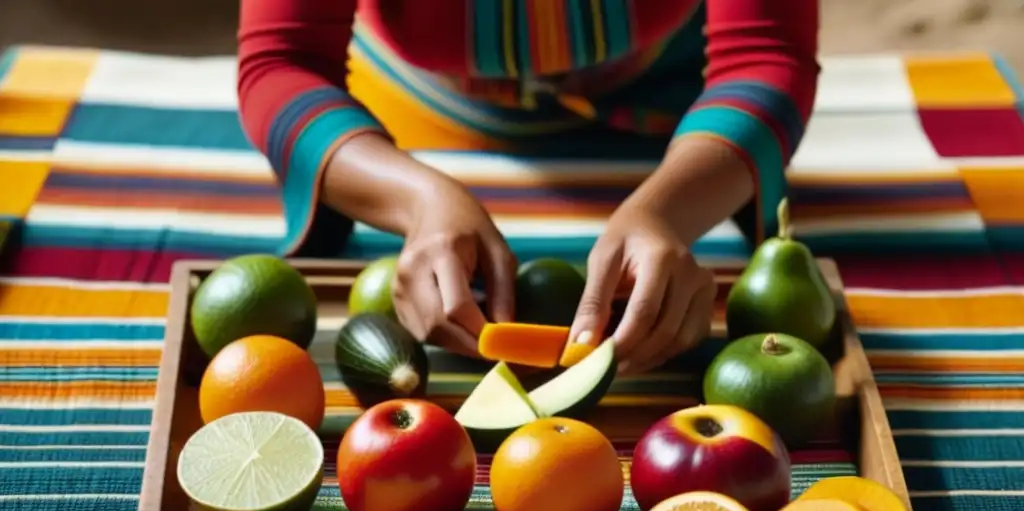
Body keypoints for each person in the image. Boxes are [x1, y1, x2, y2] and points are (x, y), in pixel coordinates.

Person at [237, 0, 819, 374]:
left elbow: (765, 55)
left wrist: (668, 212)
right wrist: (417, 199)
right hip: (422, 113)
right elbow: (283, 64)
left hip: (677, 101)